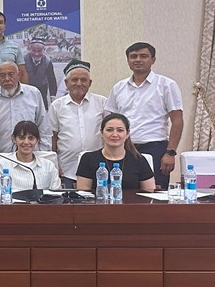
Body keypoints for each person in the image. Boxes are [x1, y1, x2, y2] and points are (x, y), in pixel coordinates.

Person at [104, 42, 183, 189]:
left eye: (143, 56)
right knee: (123, 191)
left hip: (156, 149)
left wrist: (170, 152)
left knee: (156, 194)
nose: (138, 60)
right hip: (124, 149)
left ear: (153, 59)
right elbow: (111, 121)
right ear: (128, 61)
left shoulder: (166, 85)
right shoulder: (119, 87)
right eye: (133, 56)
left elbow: (177, 120)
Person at [47, 60, 107, 188]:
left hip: (99, 168)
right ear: (66, 83)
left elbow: (110, 133)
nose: (79, 83)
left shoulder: (102, 103)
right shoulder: (57, 106)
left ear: (90, 83)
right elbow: (52, 137)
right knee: (70, 206)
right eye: (74, 80)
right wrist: (54, 164)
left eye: (83, 80)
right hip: (67, 169)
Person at [75, 113, 156, 192]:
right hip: (98, 204)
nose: (114, 134)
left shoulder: (139, 160)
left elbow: (149, 193)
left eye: (120, 130)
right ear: (101, 133)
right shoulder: (88, 159)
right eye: (109, 130)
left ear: (127, 134)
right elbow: (83, 196)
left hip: (132, 205)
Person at [0, 61, 51, 152]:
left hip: (31, 154)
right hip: (2, 154)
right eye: (2, 75)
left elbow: (43, 125)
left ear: (19, 75)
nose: (7, 79)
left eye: (11, 74)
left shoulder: (33, 93)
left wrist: (44, 151)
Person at [0, 121, 61, 191]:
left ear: (37, 140)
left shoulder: (49, 166)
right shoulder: (2, 165)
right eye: (21, 138)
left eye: (31, 138)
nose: (26, 142)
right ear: (14, 139)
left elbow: (57, 194)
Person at [24, 38, 57, 107]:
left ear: (44, 50)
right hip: (27, 89)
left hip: (42, 89)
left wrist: (52, 96)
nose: (36, 54)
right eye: (34, 51)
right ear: (30, 49)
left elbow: (52, 79)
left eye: (39, 51)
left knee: (43, 109)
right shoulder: (23, 60)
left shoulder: (47, 62)